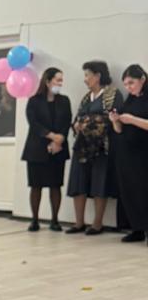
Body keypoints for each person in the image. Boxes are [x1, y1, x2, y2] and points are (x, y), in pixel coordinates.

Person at [66, 60, 118, 235]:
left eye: (87, 75)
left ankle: (97, 224)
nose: (85, 79)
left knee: (99, 182)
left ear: (97, 76)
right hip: (82, 146)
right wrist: (77, 126)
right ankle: (78, 222)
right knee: (78, 181)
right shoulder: (86, 98)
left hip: (101, 146)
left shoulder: (112, 95)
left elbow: (113, 118)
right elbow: (77, 118)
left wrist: (90, 123)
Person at [21, 67, 71, 231]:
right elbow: (34, 123)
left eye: (61, 80)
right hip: (37, 149)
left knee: (55, 185)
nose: (60, 83)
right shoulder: (34, 101)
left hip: (58, 148)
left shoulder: (64, 101)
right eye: (58, 80)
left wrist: (59, 139)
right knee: (36, 185)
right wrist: (51, 136)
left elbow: (67, 122)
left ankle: (55, 220)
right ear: (48, 81)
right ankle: (34, 220)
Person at [109, 64, 148, 245]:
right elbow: (119, 130)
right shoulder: (129, 100)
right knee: (130, 190)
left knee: (144, 190)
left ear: (142, 79)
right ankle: (136, 228)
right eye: (125, 84)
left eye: (131, 83)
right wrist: (115, 121)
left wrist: (132, 120)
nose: (128, 87)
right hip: (127, 152)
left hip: (144, 152)